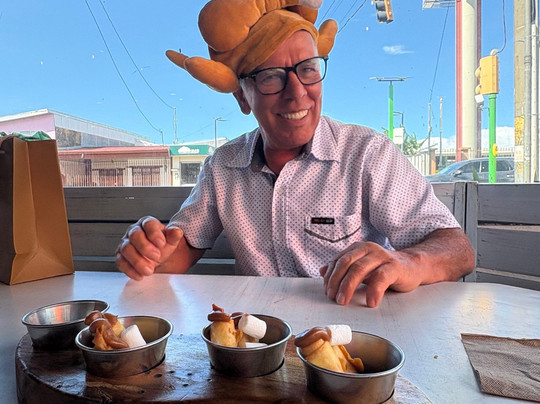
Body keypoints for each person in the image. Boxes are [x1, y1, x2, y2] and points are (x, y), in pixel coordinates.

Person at [116, 0, 475, 308]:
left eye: (308, 69)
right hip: (257, 341)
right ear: (242, 97)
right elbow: (180, 248)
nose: (297, 93)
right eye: (271, 76)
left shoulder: (367, 154)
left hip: (347, 338)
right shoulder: (222, 167)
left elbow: (458, 250)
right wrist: (148, 252)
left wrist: (408, 262)